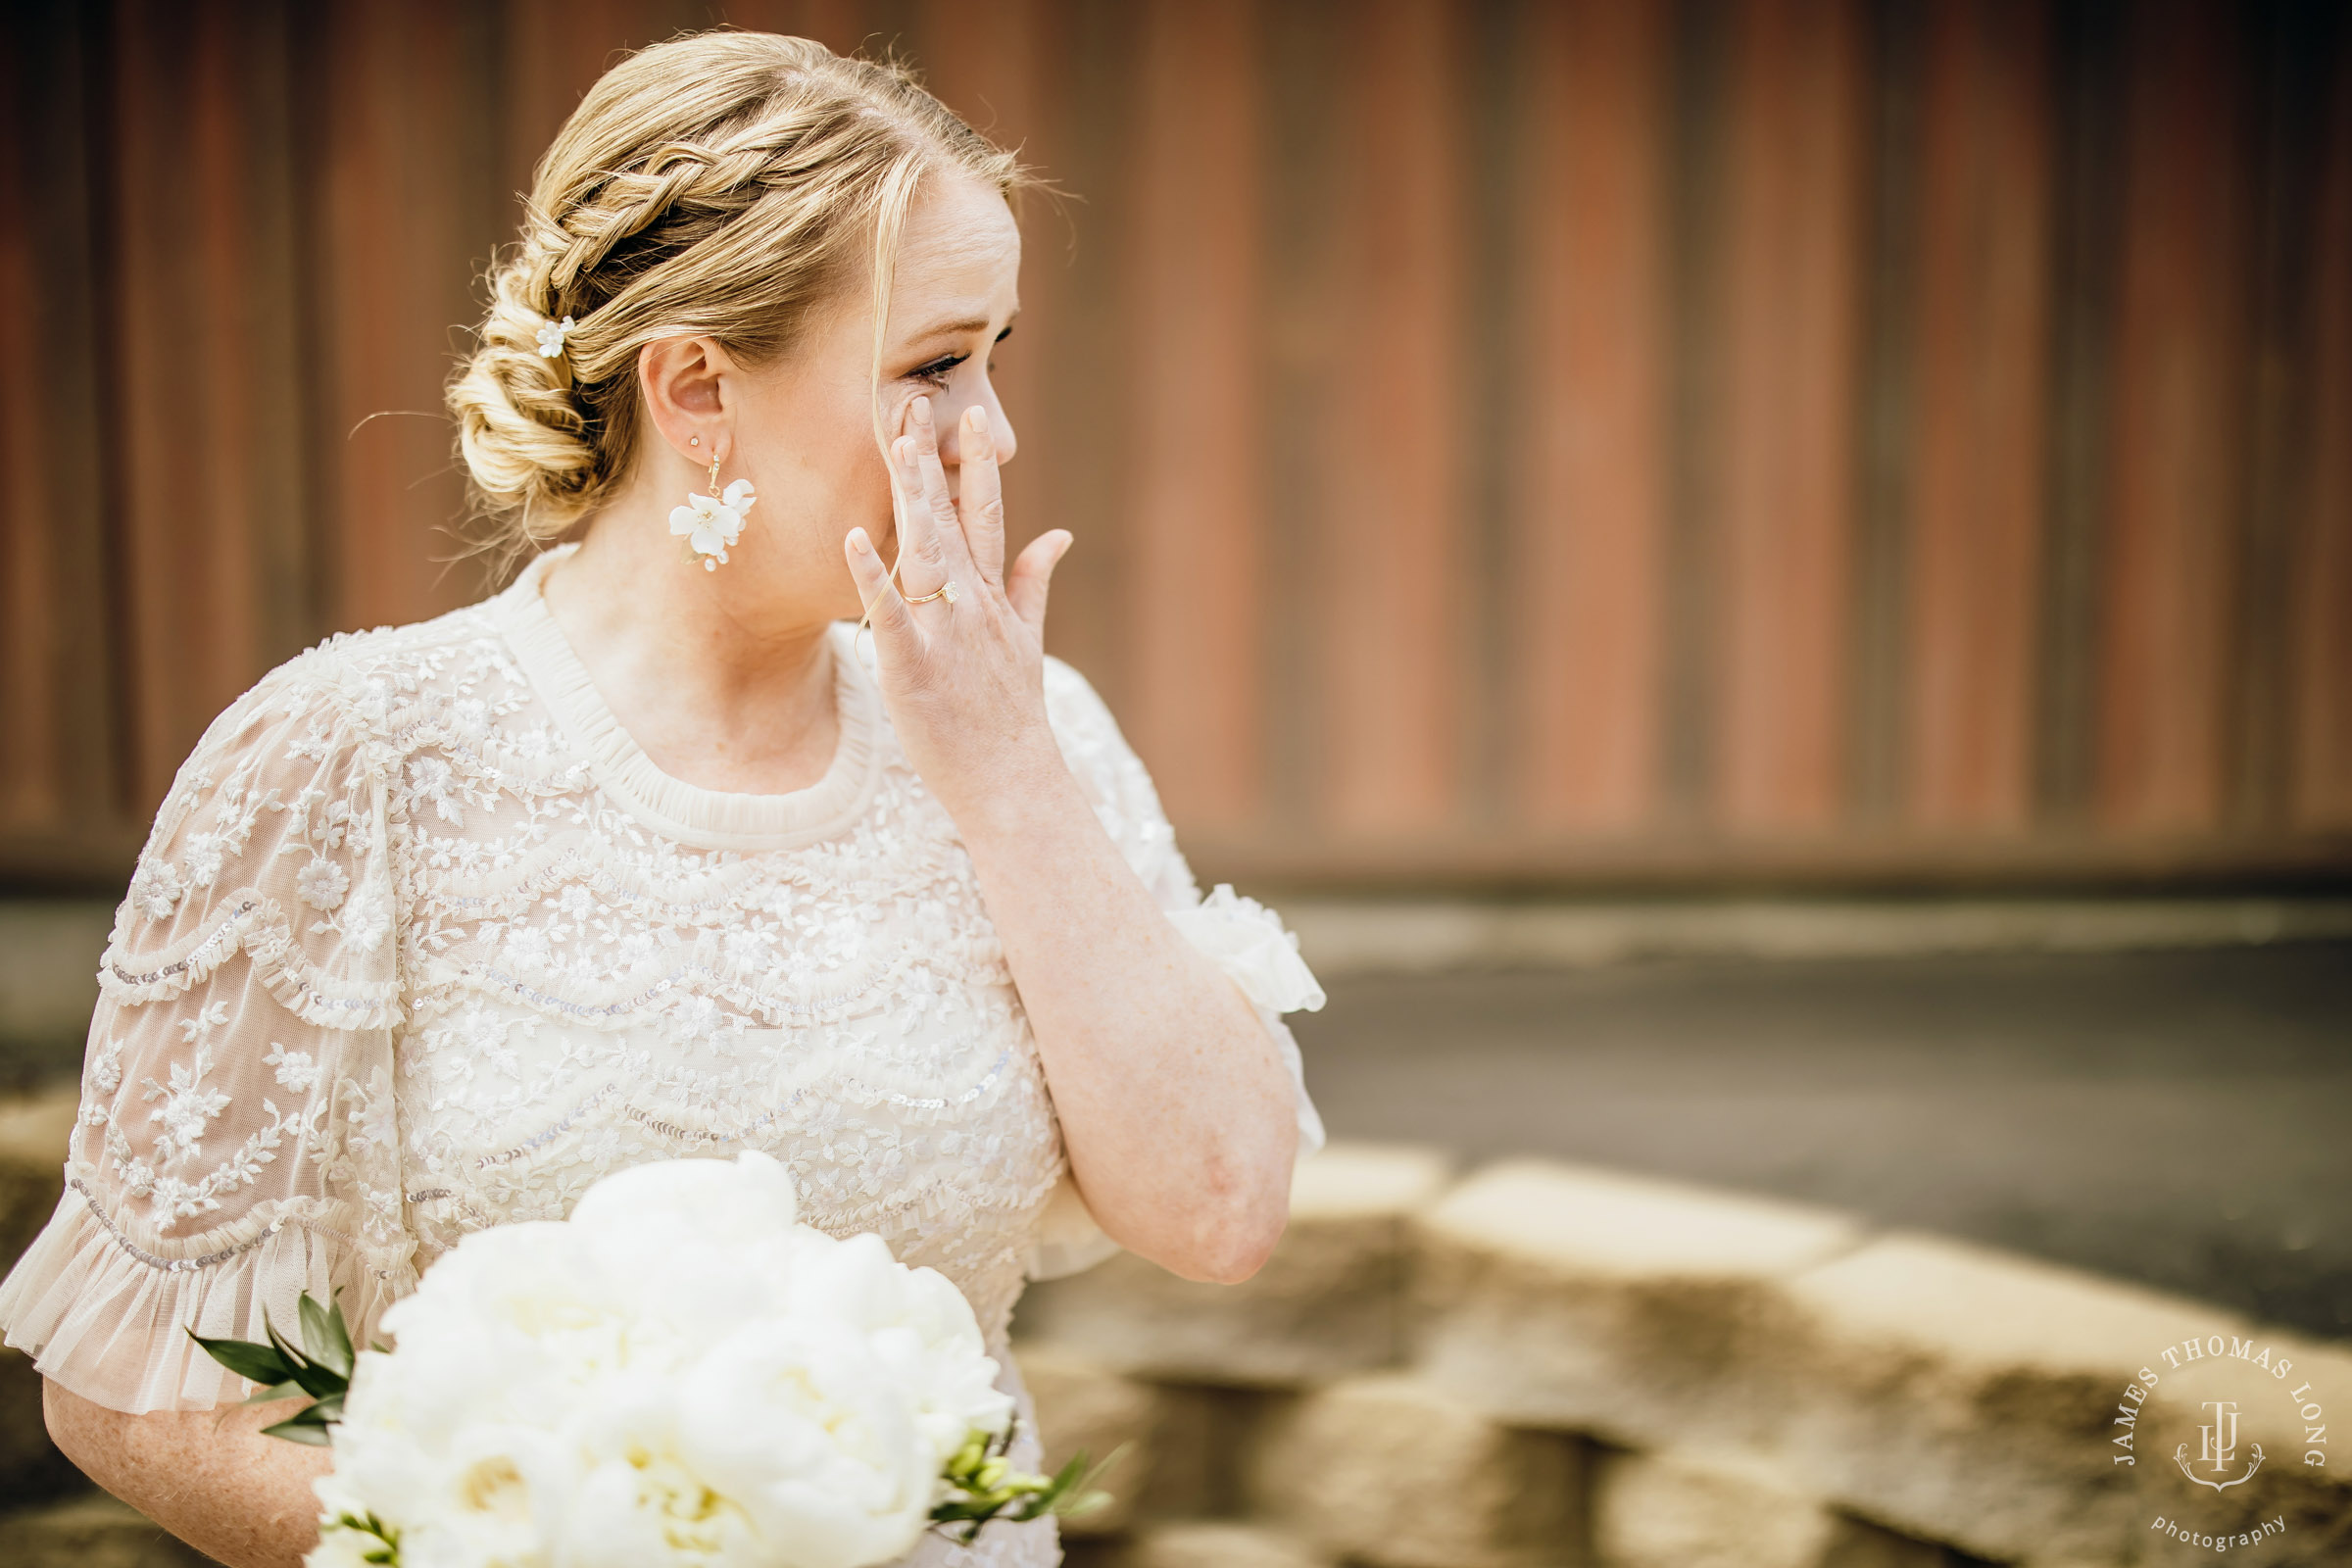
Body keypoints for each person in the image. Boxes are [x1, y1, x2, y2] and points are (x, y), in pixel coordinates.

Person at [0, 30, 1325, 1568]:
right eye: (935, 364)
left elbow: (1222, 1211)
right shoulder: (349, 758)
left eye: (996, 354)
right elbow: (137, 1402)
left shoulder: (1031, 735)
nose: (997, 431)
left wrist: (1007, 770)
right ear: (696, 385)